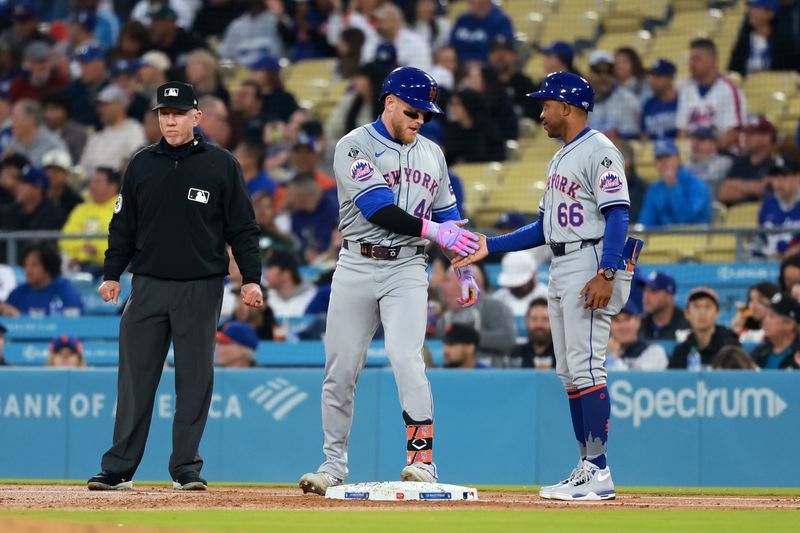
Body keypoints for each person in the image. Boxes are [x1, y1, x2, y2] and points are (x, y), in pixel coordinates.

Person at [298, 66, 480, 495]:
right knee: (340, 369)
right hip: (357, 264)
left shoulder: (433, 153)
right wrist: (437, 232)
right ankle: (332, 465)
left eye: (426, 116)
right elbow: (378, 208)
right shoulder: (354, 145)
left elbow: (449, 215)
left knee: (406, 358)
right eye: (414, 111)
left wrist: (465, 265)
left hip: (407, 267)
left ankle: (422, 463)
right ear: (390, 102)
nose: (419, 121)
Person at [454, 71, 634, 500]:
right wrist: (490, 245)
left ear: (567, 108)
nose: (541, 112)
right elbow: (544, 227)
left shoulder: (600, 150)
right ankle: (586, 465)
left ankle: (599, 470)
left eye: (546, 104)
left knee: (587, 367)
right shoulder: (560, 157)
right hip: (564, 260)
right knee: (571, 373)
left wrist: (607, 271)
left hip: (590, 259)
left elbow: (619, 214)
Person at [87, 81, 262, 492]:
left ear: (196, 117)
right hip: (146, 285)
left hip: (200, 288)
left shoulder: (222, 165)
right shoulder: (142, 164)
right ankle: (118, 468)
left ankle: (186, 467)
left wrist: (251, 278)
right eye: (164, 113)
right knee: (134, 379)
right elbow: (122, 226)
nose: (170, 120)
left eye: (179, 113)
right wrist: (112, 274)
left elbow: (243, 228)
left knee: (194, 379)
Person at [676, 38, 747, 153]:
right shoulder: (686, 90)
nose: (692, 63)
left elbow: (734, 132)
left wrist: (709, 153)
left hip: (724, 155)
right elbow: (682, 131)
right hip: (693, 157)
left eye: (697, 59)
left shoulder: (729, 89)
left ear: (713, 61)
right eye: (691, 59)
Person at [439, 262, 516, 366]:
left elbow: (507, 338)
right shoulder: (446, 315)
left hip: (490, 373)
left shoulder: (493, 307)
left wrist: (470, 337)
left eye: (447, 280)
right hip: (452, 373)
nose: (442, 286)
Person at [60, 167, 120, 275]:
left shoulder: (123, 209)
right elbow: (65, 239)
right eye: (91, 182)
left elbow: (122, 243)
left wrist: (95, 251)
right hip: (76, 264)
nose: (91, 186)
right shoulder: (81, 209)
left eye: (97, 182)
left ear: (113, 186)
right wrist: (84, 252)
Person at [638, 140, 712, 227]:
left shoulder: (698, 185)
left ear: (679, 159)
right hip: (662, 239)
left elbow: (688, 221)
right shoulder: (654, 190)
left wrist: (673, 186)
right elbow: (646, 224)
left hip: (695, 238)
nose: (664, 162)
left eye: (668, 157)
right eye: (659, 159)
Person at [78, 85, 146, 175]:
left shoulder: (135, 130)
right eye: (99, 105)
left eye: (105, 104)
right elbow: (83, 168)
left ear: (120, 105)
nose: (100, 109)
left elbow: (136, 163)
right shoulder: (96, 137)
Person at [1, 242, 82, 317]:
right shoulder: (18, 294)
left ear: (48, 267)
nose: (28, 270)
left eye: (34, 265)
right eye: (25, 265)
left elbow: (74, 325)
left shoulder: (66, 292)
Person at [669, 287, 740, 369]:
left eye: (707, 307)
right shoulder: (681, 351)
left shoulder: (731, 347)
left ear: (717, 313)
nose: (702, 312)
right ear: (687, 313)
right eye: (697, 307)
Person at [718, 115, 777, 206]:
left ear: (767, 137)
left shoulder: (775, 163)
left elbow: (768, 194)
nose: (746, 137)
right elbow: (723, 193)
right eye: (746, 133)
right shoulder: (740, 162)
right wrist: (754, 188)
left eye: (751, 134)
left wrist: (737, 186)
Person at [729, 0, 799, 76]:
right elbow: (733, 70)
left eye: (756, 8)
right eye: (750, 7)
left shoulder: (784, 44)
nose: (750, 11)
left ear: (770, 13)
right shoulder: (744, 41)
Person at [284, 172, 339, 263]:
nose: (287, 200)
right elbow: (298, 240)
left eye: (290, 195)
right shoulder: (297, 212)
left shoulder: (334, 207)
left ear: (301, 196)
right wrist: (306, 250)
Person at [586, 50, 640, 139]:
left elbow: (630, 139)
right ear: (589, 74)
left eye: (608, 71)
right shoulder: (580, 103)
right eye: (598, 71)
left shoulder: (628, 100)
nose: (603, 76)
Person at [754, 159, 800, 258]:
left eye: (784, 177)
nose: (779, 182)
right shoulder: (768, 204)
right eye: (775, 177)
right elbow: (760, 239)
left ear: (797, 177)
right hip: (768, 263)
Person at [606, 301, 668, 371]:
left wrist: (612, 357)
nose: (623, 326)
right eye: (617, 320)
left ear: (638, 321)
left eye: (627, 319)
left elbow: (642, 380)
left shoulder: (655, 351)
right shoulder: (600, 353)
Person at [5, 99, 68, 166]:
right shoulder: (14, 141)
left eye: (16, 117)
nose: (12, 123)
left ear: (31, 119)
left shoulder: (53, 145)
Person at [369, 3, 431, 71]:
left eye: (383, 21)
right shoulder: (372, 38)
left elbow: (420, 71)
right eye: (377, 22)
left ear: (396, 22)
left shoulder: (416, 43)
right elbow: (366, 63)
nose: (379, 26)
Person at [449, 0, 514, 64]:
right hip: (457, 68)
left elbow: (501, 54)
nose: (469, 1)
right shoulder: (462, 20)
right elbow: (451, 47)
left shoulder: (501, 21)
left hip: (487, 69)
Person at [488, 37, 537, 121]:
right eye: (495, 50)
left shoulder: (525, 85)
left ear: (515, 55)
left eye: (505, 50)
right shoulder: (484, 84)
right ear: (489, 56)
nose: (500, 55)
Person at [63, 42, 109, 130]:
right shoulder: (72, 89)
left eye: (85, 64)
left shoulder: (113, 87)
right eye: (80, 64)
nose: (81, 68)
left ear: (101, 64)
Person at [750, 292, 800, 369]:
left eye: (771, 316)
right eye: (765, 315)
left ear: (789, 324)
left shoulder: (797, 352)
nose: (765, 320)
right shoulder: (759, 352)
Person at [492, 251, 548, 317]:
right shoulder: (497, 298)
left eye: (522, 283)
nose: (517, 286)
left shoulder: (548, 296)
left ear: (533, 274)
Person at [264, 251, 318, 318]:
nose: (266, 274)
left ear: (286, 273)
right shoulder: (267, 298)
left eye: (270, 268)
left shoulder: (312, 296)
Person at [638, 271, 690, 340]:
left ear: (669, 297)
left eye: (653, 291)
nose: (646, 296)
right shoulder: (638, 325)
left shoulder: (688, 325)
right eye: (645, 290)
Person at [41, 92, 88, 164]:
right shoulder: (41, 131)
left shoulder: (79, 134)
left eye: (54, 110)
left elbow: (79, 162)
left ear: (66, 111)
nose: (48, 114)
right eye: (46, 110)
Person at [684, 126, 733, 196]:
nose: (695, 143)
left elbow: (706, 183)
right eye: (693, 139)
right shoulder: (686, 164)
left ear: (713, 144)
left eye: (701, 140)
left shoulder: (723, 162)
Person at [509, 297, 556, 369]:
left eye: (545, 319)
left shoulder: (563, 356)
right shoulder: (515, 354)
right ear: (526, 322)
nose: (539, 325)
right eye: (534, 319)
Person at [640, 59, 678, 140]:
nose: (652, 80)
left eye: (657, 76)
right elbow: (644, 135)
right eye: (651, 76)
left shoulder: (681, 102)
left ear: (670, 78)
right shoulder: (648, 105)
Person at [42, 149, 83, 216]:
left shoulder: (76, 203)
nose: (51, 175)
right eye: (48, 171)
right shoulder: (36, 197)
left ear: (67, 175)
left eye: (56, 171)